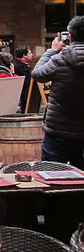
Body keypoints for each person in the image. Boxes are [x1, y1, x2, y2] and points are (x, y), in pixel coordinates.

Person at [31, 17, 84, 169]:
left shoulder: (60, 59)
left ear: (71, 36)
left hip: (59, 130)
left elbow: (37, 74)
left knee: (51, 174)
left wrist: (51, 51)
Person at [13, 46, 35, 113]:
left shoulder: (26, 66)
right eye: (29, 53)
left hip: (28, 94)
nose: (32, 55)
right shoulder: (16, 66)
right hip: (22, 95)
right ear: (24, 55)